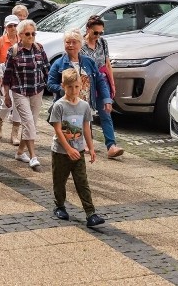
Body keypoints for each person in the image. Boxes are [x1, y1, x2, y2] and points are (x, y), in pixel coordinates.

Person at [49, 68, 104, 227]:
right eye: (70, 87)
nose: (74, 90)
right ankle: (59, 205)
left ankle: (90, 213)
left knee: (82, 182)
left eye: (76, 87)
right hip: (60, 152)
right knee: (59, 181)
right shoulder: (59, 106)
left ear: (81, 86)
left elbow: (86, 127)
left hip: (78, 151)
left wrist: (91, 148)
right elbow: (58, 130)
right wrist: (68, 149)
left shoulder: (84, 106)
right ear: (63, 86)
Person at [47, 30, 113, 158]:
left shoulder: (89, 62)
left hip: (84, 104)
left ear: (80, 44)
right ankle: (65, 154)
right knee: (68, 133)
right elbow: (50, 84)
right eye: (68, 42)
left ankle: (79, 154)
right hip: (66, 106)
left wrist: (106, 99)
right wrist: (63, 89)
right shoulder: (58, 64)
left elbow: (100, 80)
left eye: (74, 42)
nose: (71, 45)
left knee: (82, 131)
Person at [2, 19, 50, 171]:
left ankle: (20, 152)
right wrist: (6, 96)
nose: (31, 36)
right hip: (20, 91)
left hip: (37, 90)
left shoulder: (39, 48)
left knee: (32, 123)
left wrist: (53, 86)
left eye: (33, 33)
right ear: (20, 34)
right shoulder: (14, 51)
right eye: (27, 34)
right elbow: (7, 76)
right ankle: (33, 156)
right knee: (28, 122)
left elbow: (46, 69)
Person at [80, 16, 124, 158]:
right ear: (88, 29)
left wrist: (111, 83)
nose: (98, 36)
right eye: (95, 33)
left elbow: (107, 64)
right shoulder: (80, 44)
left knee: (106, 112)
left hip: (101, 81)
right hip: (85, 82)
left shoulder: (103, 43)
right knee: (86, 113)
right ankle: (87, 142)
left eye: (101, 33)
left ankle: (111, 146)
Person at [0, 14, 22, 145]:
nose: (13, 28)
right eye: (10, 26)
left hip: (20, 77)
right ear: (6, 27)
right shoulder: (0, 41)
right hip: (5, 76)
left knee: (18, 104)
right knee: (7, 102)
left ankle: (15, 133)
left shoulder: (21, 39)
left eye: (15, 25)